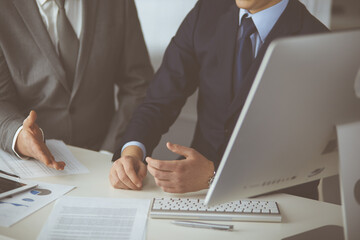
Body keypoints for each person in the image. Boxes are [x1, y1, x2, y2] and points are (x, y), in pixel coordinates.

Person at [109, 0, 328, 198]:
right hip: (194, 192)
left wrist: (213, 175)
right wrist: (132, 152)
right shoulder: (206, 12)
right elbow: (160, 99)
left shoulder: (318, 42)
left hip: (278, 199)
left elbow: (304, 157)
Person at [0, 0, 153, 169]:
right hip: (30, 166)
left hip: (106, 157)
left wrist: (110, 153)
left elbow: (138, 84)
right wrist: (19, 136)